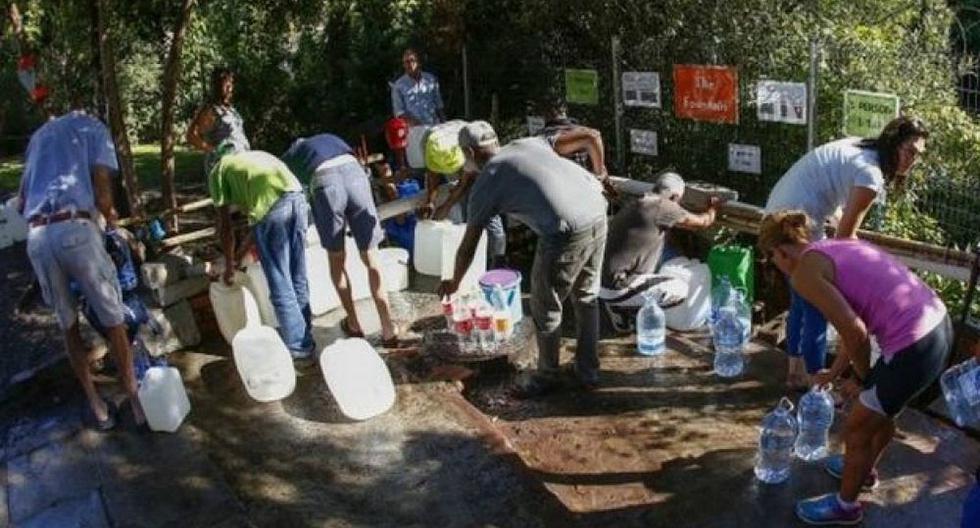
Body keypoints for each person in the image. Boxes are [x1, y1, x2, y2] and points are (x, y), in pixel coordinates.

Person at [757, 210, 951, 526]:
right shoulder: (836, 246)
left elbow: (856, 331)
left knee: (857, 426)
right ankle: (864, 471)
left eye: (771, 261)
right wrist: (834, 374)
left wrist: (862, 379)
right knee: (880, 412)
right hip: (938, 326)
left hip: (912, 345)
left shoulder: (804, 272)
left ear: (778, 252)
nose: (776, 267)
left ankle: (846, 507)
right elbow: (853, 327)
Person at [438, 122, 608, 396]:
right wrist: (600, 174)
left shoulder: (488, 180)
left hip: (564, 230)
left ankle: (548, 376)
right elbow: (591, 136)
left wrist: (454, 282)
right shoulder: (529, 142)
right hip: (597, 209)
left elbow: (468, 246)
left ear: (469, 152)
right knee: (587, 296)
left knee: (545, 305)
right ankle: (588, 372)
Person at [765, 116, 929, 390]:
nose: (912, 160)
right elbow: (844, 240)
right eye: (909, 151)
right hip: (796, 223)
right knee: (818, 305)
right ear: (893, 145)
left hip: (775, 217)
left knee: (800, 300)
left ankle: (795, 373)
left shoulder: (859, 147)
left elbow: (832, 197)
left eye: (919, 155)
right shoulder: (870, 174)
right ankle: (815, 384)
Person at [16, 105, 145, 430]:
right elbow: (103, 194)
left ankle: (98, 408)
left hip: (38, 237)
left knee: (68, 324)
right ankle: (136, 401)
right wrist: (113, 222)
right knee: (114, 319)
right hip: (76, 230)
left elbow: (20, 203)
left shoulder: (39, 137)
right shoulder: (93, 127)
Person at [281, 133, 398, 346]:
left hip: (326, 182)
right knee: (372, 258)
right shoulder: (330, 138)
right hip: (356, 175)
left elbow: (289, 189)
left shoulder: (293, 155)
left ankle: (354, 324)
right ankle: (389, 329)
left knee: (337, 259)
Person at [209, 149, 315, 364]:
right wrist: (238, 257)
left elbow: (226, 228)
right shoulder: (251, 160)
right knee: (297, 276)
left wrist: (229, 265)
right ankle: (306, 337)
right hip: (298, 198)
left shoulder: (217, 173)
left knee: (280, 285)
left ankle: (299, 350)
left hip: (273, 208)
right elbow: (257, 227)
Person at [599, 172, 720, 333]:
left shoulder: (636, 202)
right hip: (618, 286)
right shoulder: (664, 207)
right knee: (680, 289)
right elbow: (703, 222)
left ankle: (623, 313)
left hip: (601, 283)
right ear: (675, 196)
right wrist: (713, 208)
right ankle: (639, 315)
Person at [537, 99, 618, 200]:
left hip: (556, 196)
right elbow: (593, 137)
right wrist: (600, 178)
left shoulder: (539, 140)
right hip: (579, 196)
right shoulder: (553, 137)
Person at [187, 67, 251, 175]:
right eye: (226, 83)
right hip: (223, 168)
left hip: (240, 165)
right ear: (217, 86)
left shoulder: (230, 110)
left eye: (231, 83)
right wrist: (214, 151)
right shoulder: (210, 110)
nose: (230, 87)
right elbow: (191, 136)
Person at [390, 48, 444, 127]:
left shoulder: (430, 79)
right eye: (406, 62)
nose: (409, 64)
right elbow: (399, 112)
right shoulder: (398, 86)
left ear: (418, 62)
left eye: (412, 60)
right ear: (404, 65)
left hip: (434, 125)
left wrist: (444, 123)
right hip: (414, 130)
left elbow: (439, 105)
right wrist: (417, 124)